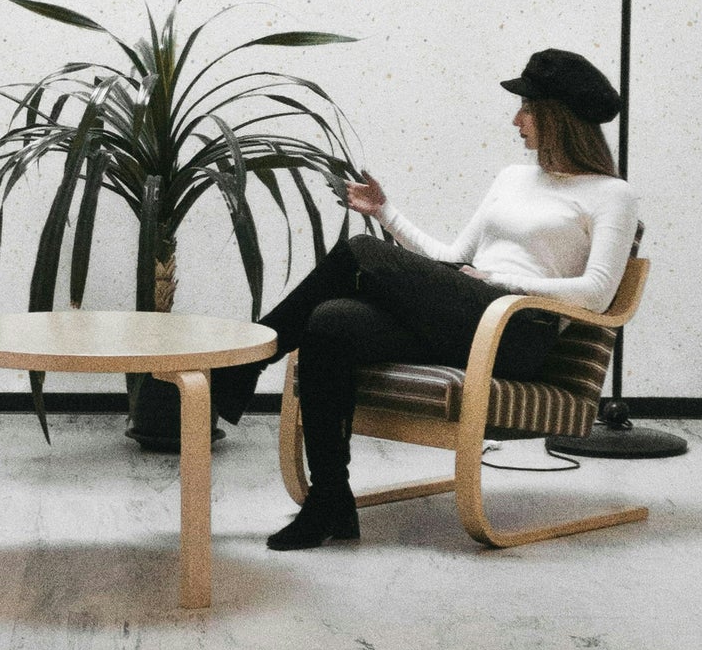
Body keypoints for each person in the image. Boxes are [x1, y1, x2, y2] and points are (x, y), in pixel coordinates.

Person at [215, 48, 639, 550]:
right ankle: (330, 499)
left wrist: (503, 285)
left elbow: (598, 293)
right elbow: (451, 256)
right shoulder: (512, 178)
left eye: (527, 109)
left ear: (557, 116)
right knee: (331, 320)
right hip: (467, 314)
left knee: (357, 252)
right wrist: (385, 211)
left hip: (518, 333)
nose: (516, 120)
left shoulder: (613, 195)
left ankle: (247, 361)